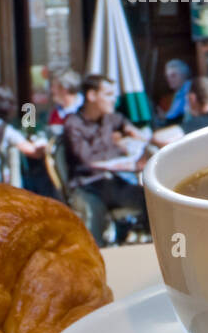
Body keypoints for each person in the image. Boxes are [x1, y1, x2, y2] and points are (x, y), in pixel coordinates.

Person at [63, 75, 148, 236]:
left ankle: (144, 241)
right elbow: (89, 161)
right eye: (108, 94)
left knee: (150, 200)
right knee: (96, 213)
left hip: (111, 182)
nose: (114, 99)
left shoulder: (110, 118)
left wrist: (131, 134)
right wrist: (118, 148)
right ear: (92, 96)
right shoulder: (74, 124)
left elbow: (126, 125)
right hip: (87, 186)